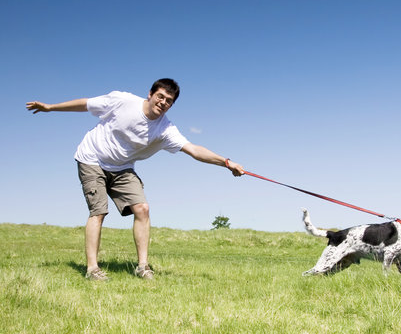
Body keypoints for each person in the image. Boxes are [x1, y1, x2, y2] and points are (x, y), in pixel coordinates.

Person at [26, 78, 245, 281]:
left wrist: (227, 163)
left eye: (169, 101)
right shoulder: (123, 101)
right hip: (92, 158)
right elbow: (86, 104)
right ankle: (92, 269)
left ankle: (142, 266)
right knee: (99, 211)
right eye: (160, 96)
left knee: (142, 208)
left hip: (122, 167)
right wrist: (50, 107)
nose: (163, 102)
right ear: (150, 94)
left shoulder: (165, 129)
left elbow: (194, 150)